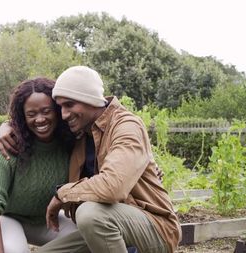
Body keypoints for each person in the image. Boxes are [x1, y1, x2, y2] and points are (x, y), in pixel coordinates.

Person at [37, 66, 182, 253]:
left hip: (155, 227)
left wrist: (62, 194)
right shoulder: (80, 132)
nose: (64, 114)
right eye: (61, 107)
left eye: (70, 104)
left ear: (89, 99)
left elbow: (113, 186)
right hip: (107, 226)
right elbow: (34, 120)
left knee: (89, 214)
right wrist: (6, 128)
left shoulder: (126, 126)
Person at [0, 78, 77, 253]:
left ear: (58, 111)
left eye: (46, 111)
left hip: (42, 220)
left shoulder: (70, 143)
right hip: (2, 217)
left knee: (87, 237)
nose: (40, 119)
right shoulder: (9, 145)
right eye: (31, 114)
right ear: (22, 116)